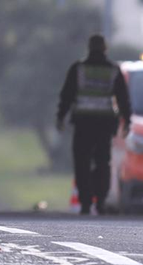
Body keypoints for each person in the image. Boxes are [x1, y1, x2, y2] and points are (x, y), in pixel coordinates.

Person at [56, 34, 131, 215]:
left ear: (89, 48)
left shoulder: (78, 69)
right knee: (102, 163)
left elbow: (67, 95)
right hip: (104, 125)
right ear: (105, 49)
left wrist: (61, 117)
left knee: (82, 163)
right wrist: (127, 120)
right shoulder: (113, 70)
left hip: (83, 124)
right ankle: (101, 201)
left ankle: (85, 202)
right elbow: (123, 99)